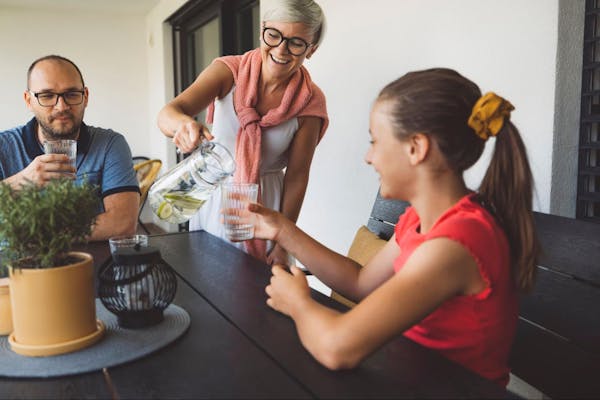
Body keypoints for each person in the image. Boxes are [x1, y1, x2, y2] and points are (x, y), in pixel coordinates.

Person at [229, 68, 540, 386]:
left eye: (375, 141)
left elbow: (337, 348)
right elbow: (361, 282)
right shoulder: (420, 220)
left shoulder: (455, 243)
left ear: (416, 148)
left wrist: (298, 303)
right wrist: (282, 229)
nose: (368, 157)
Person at [157, 0, 328, 265]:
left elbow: (297, 176)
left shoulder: (310, 102)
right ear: (262, 30)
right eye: (274, 35)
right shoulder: (229, 71)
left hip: (265, 203)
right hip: (214, 193)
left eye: (296, 43)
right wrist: (182, 125)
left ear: (312, 49)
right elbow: (169, 112)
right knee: (207, 280)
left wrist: (284, 241)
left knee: (257, 294)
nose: (281, 49)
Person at [0, 55, 140, 241]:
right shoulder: (4, 146)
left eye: (71, 94)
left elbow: (122, 223)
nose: (61, 106)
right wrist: (22, 182)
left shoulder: (110, 144)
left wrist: (38, 237)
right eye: (47, 96)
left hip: (87, 263)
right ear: (28, 100)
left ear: (86, 97)